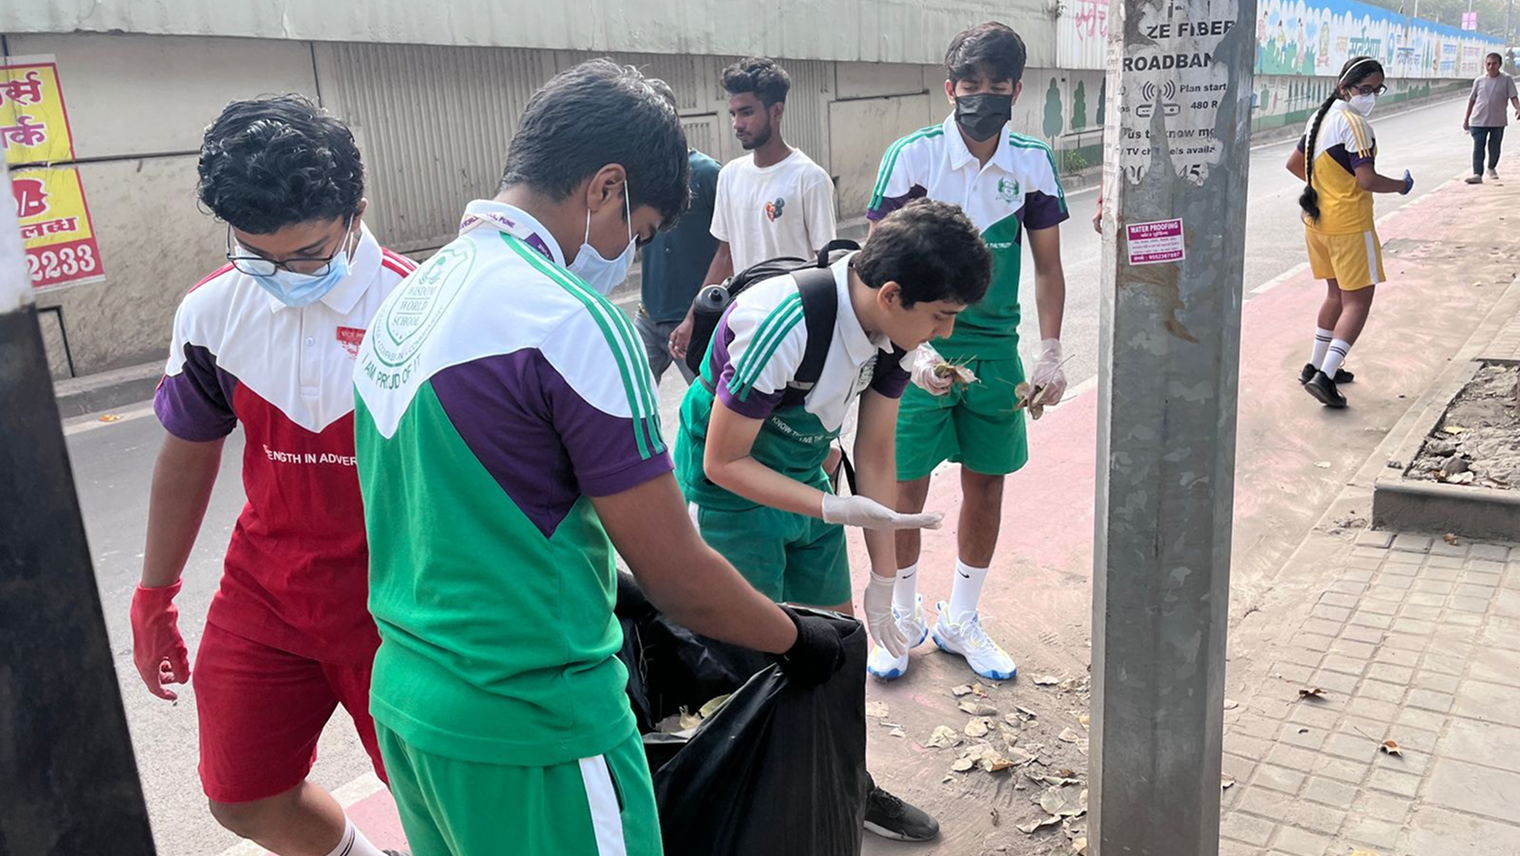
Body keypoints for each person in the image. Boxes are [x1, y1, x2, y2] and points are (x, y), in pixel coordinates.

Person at [351, 59, 846, 856]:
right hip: (538, 726)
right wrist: (794, 638)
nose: (631, 254)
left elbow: (453, 505)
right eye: (639, 232)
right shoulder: (569, 319)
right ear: (605, 187)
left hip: (414, 708)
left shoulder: (407, 299)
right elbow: (680, 577)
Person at [131, 95, 414, 856]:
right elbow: (188, 454)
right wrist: (154, 593)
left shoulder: (421, 308)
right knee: (242, 796)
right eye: (257, 254)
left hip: (402, 607)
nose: (282, 276)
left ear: (357, 211)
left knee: (443, 803)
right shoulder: (212, 312)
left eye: (310, 254)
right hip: (269, 596)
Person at [675, 198, 991, 842]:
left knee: (836, 646)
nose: (947, 335)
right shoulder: (784, 320)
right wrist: (829, 504)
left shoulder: (893, 334)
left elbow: (874, 452)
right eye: (942, 316)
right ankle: (753, 808)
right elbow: (724, 461)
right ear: (893, 294)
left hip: (804, 476)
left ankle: (850, 783)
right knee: (754, 661)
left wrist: (882, 578)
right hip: (734, 494)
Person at [865, 21, 1070, 682]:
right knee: (905, 484)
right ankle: (899, 617)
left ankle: (961, 618)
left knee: (988, 480)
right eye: (971, 83)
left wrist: (1052, 352)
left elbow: (1046, 267)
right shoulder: (914, 158)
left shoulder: (1033, 160)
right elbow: (874, 271)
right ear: (950, 88)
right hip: (916, 347)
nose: (983, 95)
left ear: (1016, 88)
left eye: (997, 84)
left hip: (996, 350)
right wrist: (909, 351)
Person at [667, 56, 837, 365]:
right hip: (742, 321)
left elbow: (827, 267)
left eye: (746, 112)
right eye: (733, 113)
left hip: (793, 327)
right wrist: (694, 315)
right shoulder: (731, 175)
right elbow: (724, 254)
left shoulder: (808, 179)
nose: (737, 123)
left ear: (776, 111)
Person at [1287, 56, 1413, 408]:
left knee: (1335, 296)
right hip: (1350, 226)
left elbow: (1295, 164)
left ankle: (1316, 364)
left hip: (1316, 223)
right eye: (1365, 89)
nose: (1371, 96)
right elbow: (1367, 180)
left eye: (1377, 90)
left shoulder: (1319, 118)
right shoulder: (1354, 124)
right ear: (1345, 88)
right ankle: (1325, 378)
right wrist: (1401, 186)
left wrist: (1326, 189)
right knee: (1357, 301)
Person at [635, 82, 720, 385]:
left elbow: (729, 247)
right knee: (631, 400)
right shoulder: (641, 178)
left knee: (707, 405)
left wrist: (697, 315)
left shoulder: (710, 174)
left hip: (691, 318)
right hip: (648, 315)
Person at [1462, 51, 1520, 184]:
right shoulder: (1479, 80)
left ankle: (1491, 167)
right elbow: (1472, 100)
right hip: (1478, 120)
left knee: (1495, 146)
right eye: (1488, 64)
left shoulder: (1506, 79)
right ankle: (1477, 173)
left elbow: (1513, 96)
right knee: (1478, 147)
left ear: (1500, 65)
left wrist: (1518, 108)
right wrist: (1466, 119)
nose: (1491, 66)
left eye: (1494, 64)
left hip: (1498, 120)